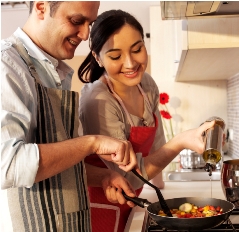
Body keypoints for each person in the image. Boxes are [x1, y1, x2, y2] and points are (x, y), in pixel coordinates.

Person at [1, 2, 140, 231]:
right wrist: (91, 143)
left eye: (90, 23)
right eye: (77, 21)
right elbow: (8, 165)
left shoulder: (56, 73)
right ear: (41, 7)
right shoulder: (7, 66)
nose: (86, 35)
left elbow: (58, 163)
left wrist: (102, 176)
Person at [78, 9, 217, 232]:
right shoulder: (98, 102)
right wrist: (180, 141)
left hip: (134, 198)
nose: (131, 63)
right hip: (103, 204)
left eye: (137, 49)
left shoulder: (146, 85)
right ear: (97, 57)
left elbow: (157, 144)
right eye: (115, 56)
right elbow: (127, 178)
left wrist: (158, 185)